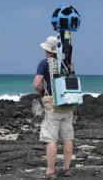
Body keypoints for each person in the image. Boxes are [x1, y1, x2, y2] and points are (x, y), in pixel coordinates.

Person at [33, 36, 74, 179]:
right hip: (68, 105)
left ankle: (50, 172)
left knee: (51, 139)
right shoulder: (65, 62)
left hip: (53, 106)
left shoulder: (44, 64)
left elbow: (36, 84)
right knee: (67, 138)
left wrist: (43, 94)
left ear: (47, 50)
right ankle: (66, 169)